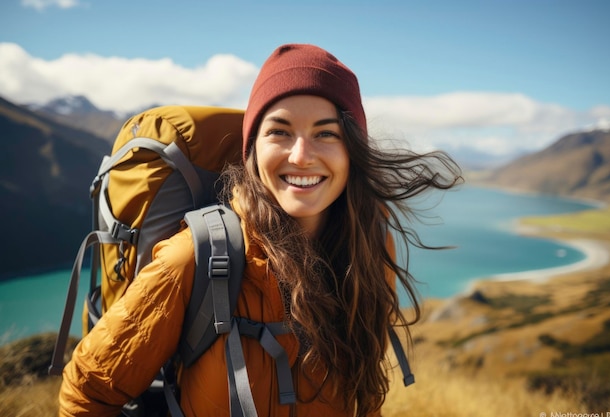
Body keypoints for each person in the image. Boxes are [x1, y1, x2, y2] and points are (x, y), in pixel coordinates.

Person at [59, 43, 462, 417]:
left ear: (352, 150)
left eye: (326, 133)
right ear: (251, 149)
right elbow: (87, 390)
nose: (301, 156)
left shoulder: (371, 245)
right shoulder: (197, 258)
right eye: (279, 132)